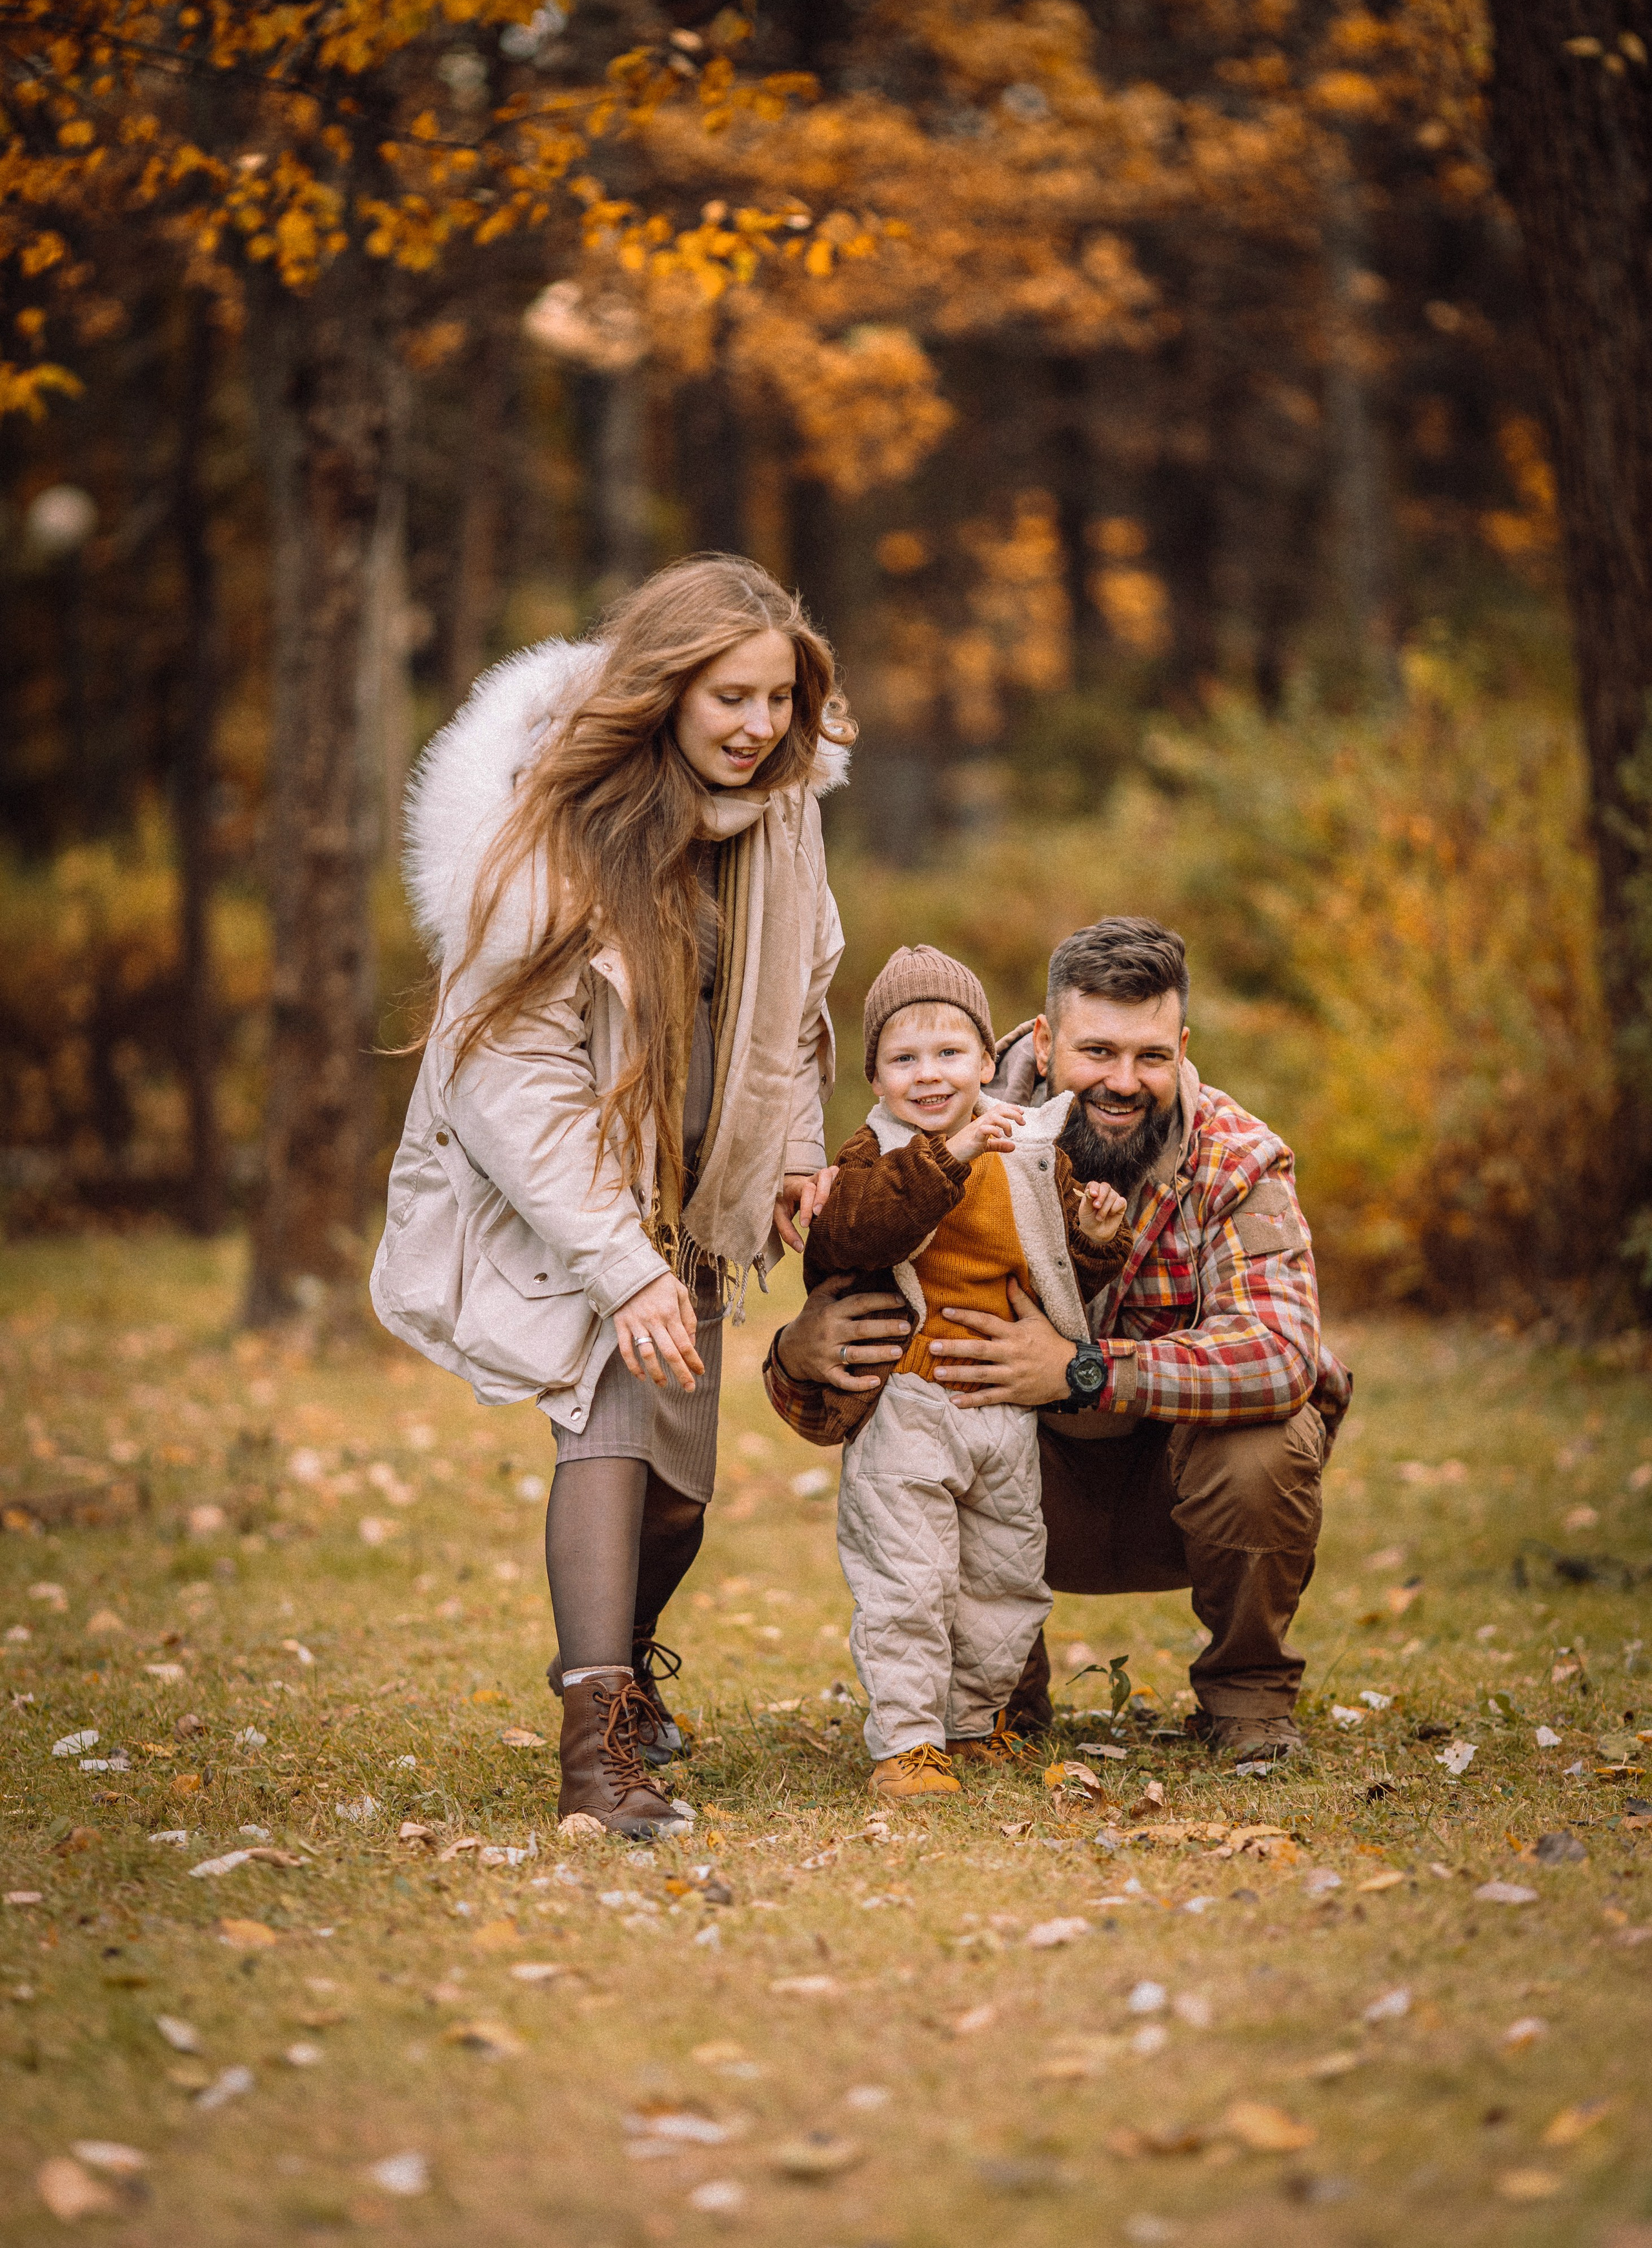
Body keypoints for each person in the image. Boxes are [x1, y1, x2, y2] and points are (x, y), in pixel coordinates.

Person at [372, 556, 850, 1836]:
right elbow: (503, 1077)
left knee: (679, 1495)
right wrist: (618, 1263)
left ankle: (629, 1671)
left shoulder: (784, 804)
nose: (755, 726)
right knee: (607, 1431)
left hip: (693, 1188)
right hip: (562, 1179)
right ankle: (596, 1759)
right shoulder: (552, 827)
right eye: (728, 698)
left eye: (775, 699)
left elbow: (794, 993)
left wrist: (792, 1142)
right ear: (661, 691)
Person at [767, 917, 1352, 1763]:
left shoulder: (1237, 1161)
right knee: (919, 1428)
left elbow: (1280, 1354)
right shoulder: (923, 1144)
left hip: (1173, 1488)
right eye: (1097, 1052)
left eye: (1151, 1056)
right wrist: (796, 1355)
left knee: (1269, 1439)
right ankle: (994, 1702)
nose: (1123, 1081)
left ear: (1183, 1048)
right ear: (1043, 1043)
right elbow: (841, 1389)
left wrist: (1079, 1370)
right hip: (1010, 1476)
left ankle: (1248, 1697)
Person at [801, 947, 1131, 1800]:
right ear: (874, 1077)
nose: (930, 1075)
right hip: (907, 1404)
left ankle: (973, 1724)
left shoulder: (1029, 1148)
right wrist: (949, 1154)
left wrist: (1095, 1234)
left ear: (990, 1060)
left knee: (1005, 1576)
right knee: (909, 1578)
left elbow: (1059, 1277)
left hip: (1000, 1409)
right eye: (904, 1059)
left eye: (950, 1054)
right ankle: (908, 1743)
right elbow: (856, 1238)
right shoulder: (870, 1157)